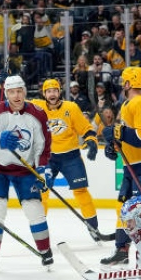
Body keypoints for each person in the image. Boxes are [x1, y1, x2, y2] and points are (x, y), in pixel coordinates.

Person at [101, 66, 141, 268]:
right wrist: (115, 146)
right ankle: (122, 250)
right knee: (125, 209)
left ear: (129, 83)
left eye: (124, 80)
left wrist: (118, 132)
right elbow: (129, 136)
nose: (122, 83)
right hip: (132, 165)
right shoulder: (129, 104)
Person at [0, 75, 53, 268]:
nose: (16, 96)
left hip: (25, 170)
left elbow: (44, 147)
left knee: (35, 210)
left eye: (19, 91)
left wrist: (43, 170)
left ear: (25, 91)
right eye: (11, 92)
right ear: (6, 93)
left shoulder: (38, 114)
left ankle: (45, 250)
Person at [30, 79, 103, 243]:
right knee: (42, 193)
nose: (52, 94)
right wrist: (4, 86)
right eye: (48, 91)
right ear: (44, 93)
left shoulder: (71, 107)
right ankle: (40, 232)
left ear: (60, 91)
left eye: (55, 90)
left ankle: (93, 228)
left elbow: (85, 128)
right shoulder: (37, 106)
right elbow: (14, 102)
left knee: (81, 191)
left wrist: (92, 142)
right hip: (47, 157)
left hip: (71, 156)